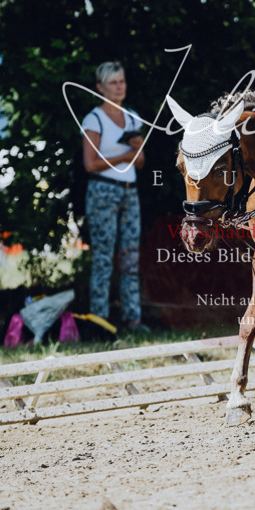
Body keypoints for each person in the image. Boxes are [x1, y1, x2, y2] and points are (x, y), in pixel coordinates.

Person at [81, 62, 146, 332]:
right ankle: (100, 320)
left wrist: (135, 153)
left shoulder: (132, 117)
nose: (120, 86)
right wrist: (125, 156)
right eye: (113, 82)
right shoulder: (93, 119)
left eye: (122, 81)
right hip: (102, 191)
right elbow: (90, 164)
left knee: (130, 256)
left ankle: (133, 319)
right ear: (101, 87)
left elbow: (141, 161)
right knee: (104, 257)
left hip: (130, 192)